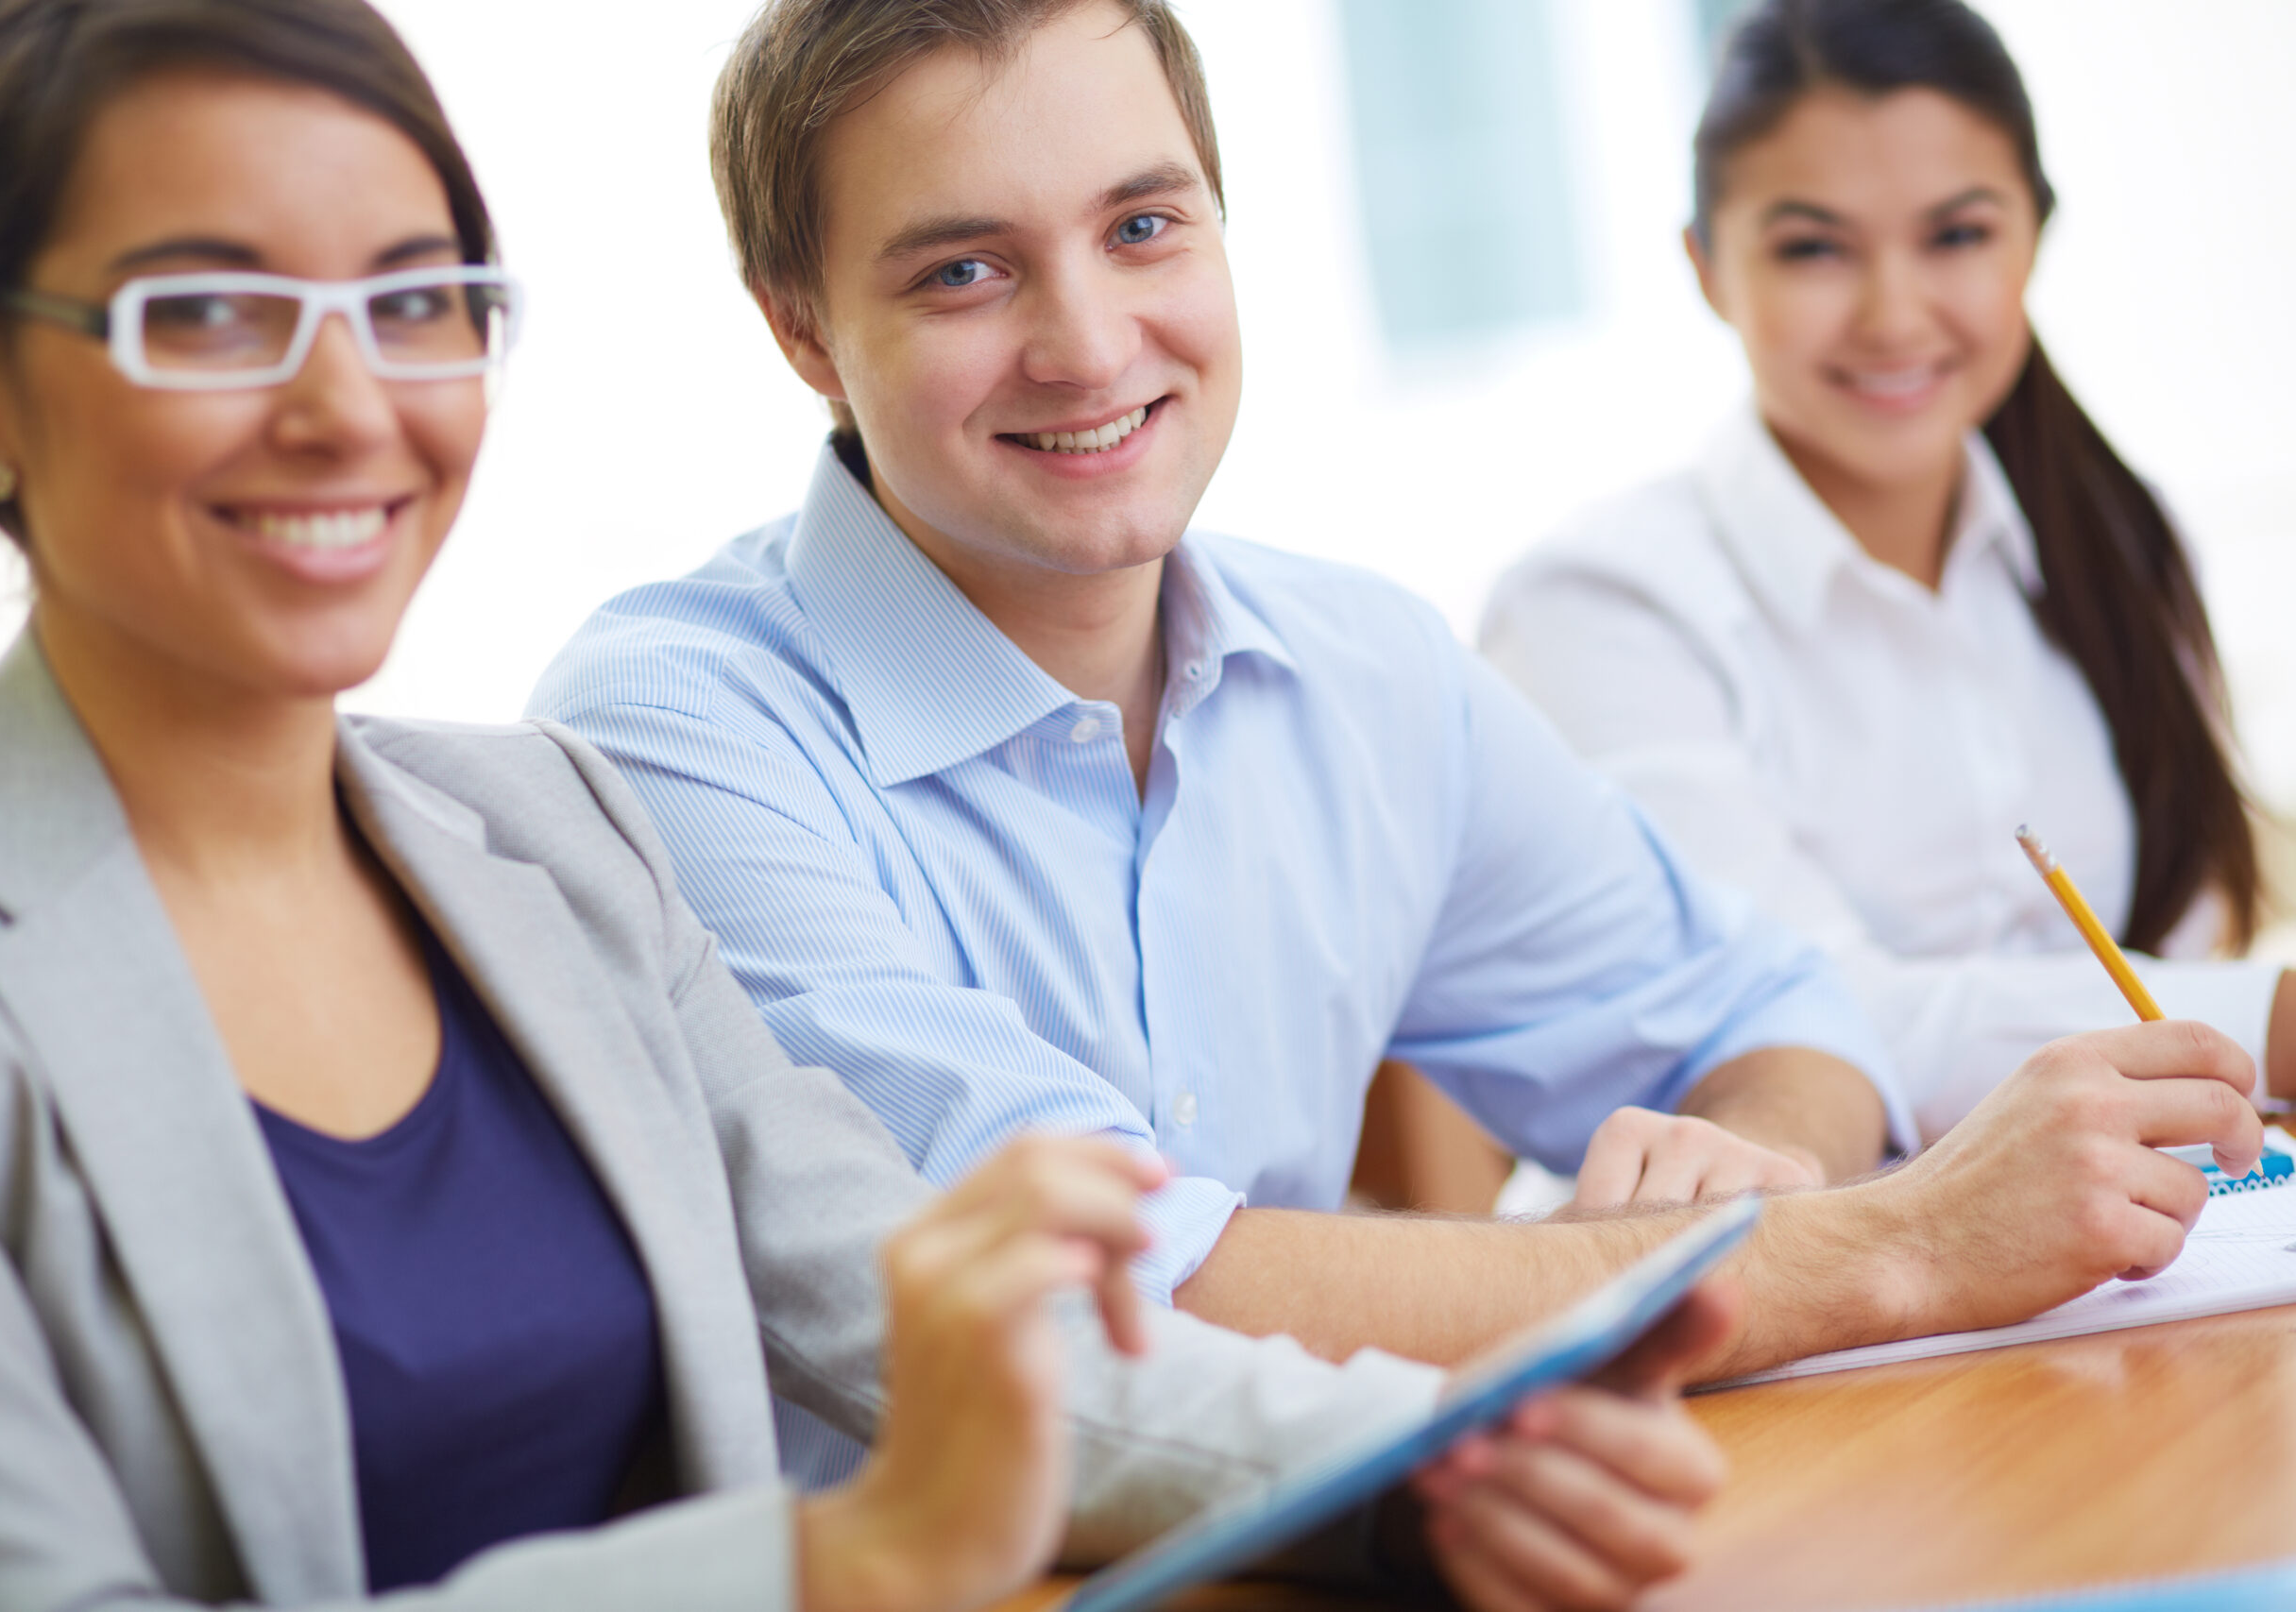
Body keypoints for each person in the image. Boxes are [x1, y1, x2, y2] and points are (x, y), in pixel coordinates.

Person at [0, 3, 1743, 1609]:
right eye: (208, 314)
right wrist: (837, 1562)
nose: (346, 403)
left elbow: (952, 1342)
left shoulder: (548, 843)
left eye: (414, 298)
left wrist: (1436, 1460)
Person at [529, 0, 2264, 1490]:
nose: (1087, 342)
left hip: (1367, 1543)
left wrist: (1759, 1165)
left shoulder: (1361, 669)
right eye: (966, 268)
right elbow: (1115, 1306)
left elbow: (1775, 1015)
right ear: (803, 326)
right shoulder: (677, 730)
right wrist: (1865, 1248)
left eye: (1144, 228)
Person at [1481, 0, 2290, 1143]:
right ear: (1708, 268)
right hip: (1773, 1270)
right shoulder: (1596, 603)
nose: (1893, 314)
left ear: (2032, 238)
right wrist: (2263, 1022)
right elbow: (1795, 1018)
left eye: (1956, 235)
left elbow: (2181, 937)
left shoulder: (2122, 537)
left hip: (2139, 1243)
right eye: (1813, 248)